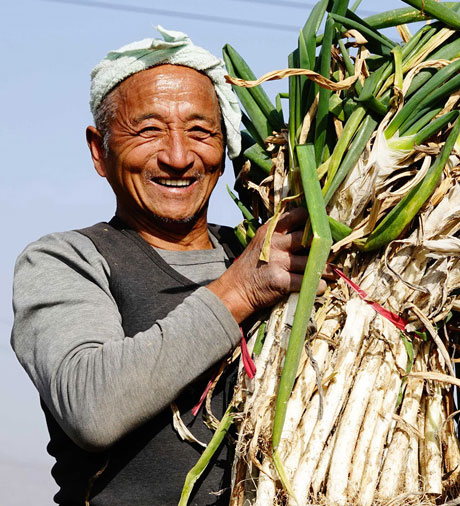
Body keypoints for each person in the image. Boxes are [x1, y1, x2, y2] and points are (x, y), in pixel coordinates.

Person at [11, 27, 325, 505]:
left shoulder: (264, 251)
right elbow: (91, 408)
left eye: (200, 131)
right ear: (101, 150)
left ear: (225, 149)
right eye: (149, 130)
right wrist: (240, 291)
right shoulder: (66, 260)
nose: (178, 157)